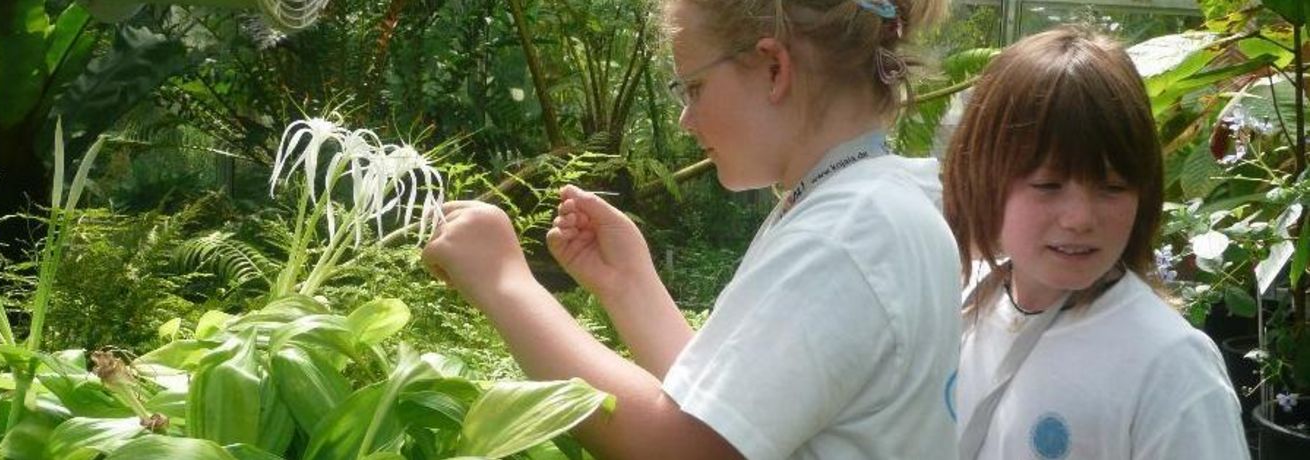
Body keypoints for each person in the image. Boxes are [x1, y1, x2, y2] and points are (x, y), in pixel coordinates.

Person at [423, 0, 960, 458]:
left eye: (694, 88)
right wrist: (629, 283)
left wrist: (505, 283)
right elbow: (725, 413)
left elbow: (681, 447)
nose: (685, 119)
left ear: (774, 68)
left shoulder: (842, 237)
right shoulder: (870, 206)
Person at [943, 25, 1249, 460]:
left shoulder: (1170, 366)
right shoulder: (964, 306)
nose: (1080, 219)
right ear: (980, 176)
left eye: (1113, 186)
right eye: (1048, 184)